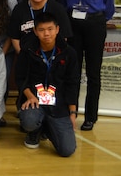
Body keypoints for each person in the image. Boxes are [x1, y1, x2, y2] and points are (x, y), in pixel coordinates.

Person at [58, 0, 114, 131]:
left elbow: (110, 7)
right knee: (72, 72)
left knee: (93, 73)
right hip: (73, 25)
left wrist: (96, 21)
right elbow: (62, 4)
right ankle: (70, 113)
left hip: (94, 25)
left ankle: (90, 117)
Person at [15, 13, 78, 156]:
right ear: (36, 32)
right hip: (35, 101)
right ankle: (35, 130)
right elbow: (20, 78)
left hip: (58, 104)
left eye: (50, 29)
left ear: (57, 29)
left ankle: (47, 128)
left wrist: (72, 113)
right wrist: (30, 97)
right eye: (42, 30)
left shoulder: (69, 53)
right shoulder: (28, 51)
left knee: (67, 150)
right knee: (29, 121)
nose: (46, 34)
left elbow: (72, 84)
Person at [8, 0, 72, 54]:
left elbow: (64, 38)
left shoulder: (58, 9)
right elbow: (14, 38)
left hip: (52, 57)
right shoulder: (19, 9)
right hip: (26, 58)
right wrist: (23, 57)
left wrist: (54, 58)